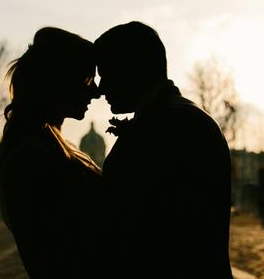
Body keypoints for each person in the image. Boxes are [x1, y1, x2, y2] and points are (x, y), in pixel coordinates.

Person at [0, 27, 106, 278]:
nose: (97, 91)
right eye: (88, 80)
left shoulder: (39, 150)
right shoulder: (35, 158)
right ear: (61, 81)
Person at [95, 21, 233, 278]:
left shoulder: (169, 124)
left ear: (130, 67)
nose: (101, 87)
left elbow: (142, 231)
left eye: (105, 73)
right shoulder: (174, 117)